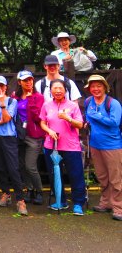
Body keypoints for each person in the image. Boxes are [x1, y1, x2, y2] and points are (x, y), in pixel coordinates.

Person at [40, 79, 87, 215]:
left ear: (66, 90)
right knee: (55, 174)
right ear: (51, 91)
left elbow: (79, 124)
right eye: (55, 88)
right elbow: (43, 122)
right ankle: (61, 200)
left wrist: (68, 118)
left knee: (75, 174)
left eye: (61, 88)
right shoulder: (47, 105)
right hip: (51, 145)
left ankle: (78, 203)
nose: (58, 91)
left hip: (71, 146)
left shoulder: (73, 105)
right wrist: (49, 131)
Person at [0, 75, 28, 215]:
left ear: (6, 87)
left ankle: (20, 200)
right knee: (0, 167)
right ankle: (5, 193)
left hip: (9, 137)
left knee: (13, 167)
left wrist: (3, 105)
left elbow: (7, 118)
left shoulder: (12, 101)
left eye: (1, 86)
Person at [84, 75, 122, 221]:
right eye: (92, 86)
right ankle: (105, 203)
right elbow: (88, 119)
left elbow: (114, 122)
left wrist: (96, 116)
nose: (95, 89)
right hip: (95, 144)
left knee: (115, 178)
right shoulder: (89, 102)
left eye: (99, 86)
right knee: (102, 176)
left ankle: (118, 207)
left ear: (105, 87)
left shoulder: (113, 104)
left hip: (112, 145)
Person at [11, 70, 45, 205]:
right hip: (20, 135)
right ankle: (29, 189)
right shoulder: (15, 97)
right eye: (25, 80)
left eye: (30, 79)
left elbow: (38, 117)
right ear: (19, 82)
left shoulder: (38, 97)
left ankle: (39, 191)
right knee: (22, 166)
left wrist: (30, 100)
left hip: (34, 135)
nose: (29, 82)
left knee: (31, 166)